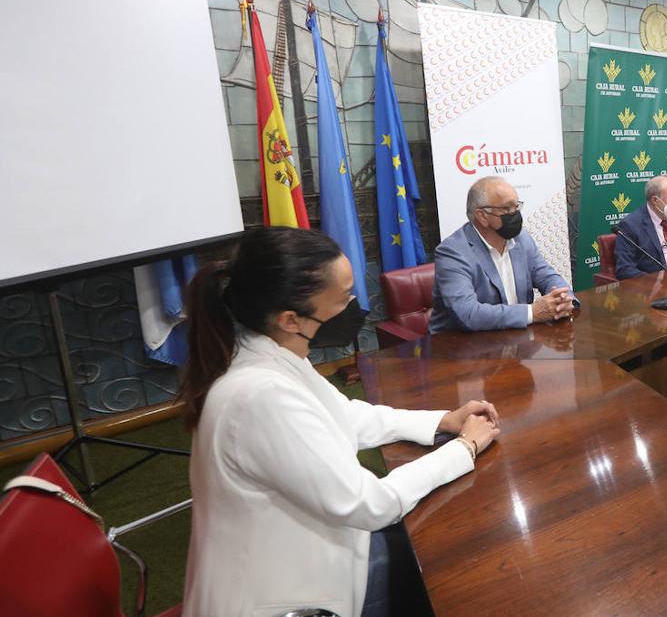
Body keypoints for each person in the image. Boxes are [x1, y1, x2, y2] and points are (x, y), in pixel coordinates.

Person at [180, 227, 500, 617]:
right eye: (344, 298)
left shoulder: (269, 350)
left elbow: (344, 414)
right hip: (281, 598)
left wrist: (442, 421)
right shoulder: (260, 396)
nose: (354, 305)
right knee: (455, 565)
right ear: (291, 319)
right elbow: (369, 503)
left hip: (310, 554)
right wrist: (463, 449)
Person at [430, 176, 575, 333]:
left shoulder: (521, 239)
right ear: (482, 216)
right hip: (459, 347)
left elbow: (547, 276)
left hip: (515, 339)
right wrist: (532, 312)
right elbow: (469, 314)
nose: (515, 213)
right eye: (507, 209)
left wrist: (563, 300)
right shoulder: (452, 252)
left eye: (516, 206)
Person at [613, 174, 667, 280]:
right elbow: (625, 269)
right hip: (657, 287)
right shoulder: (631, 225)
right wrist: (658, 282)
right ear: (655, 200)